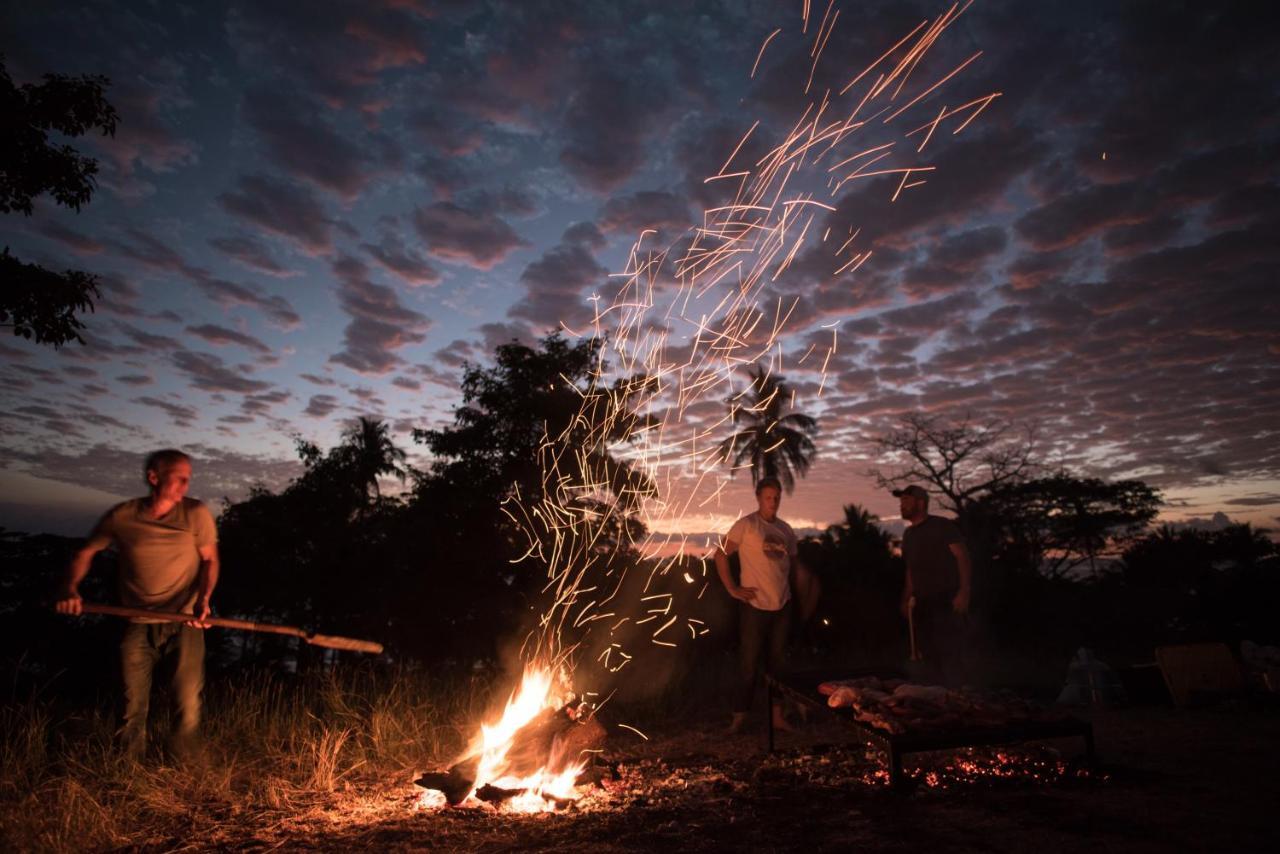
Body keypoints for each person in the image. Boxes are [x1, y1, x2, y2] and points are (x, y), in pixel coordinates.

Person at [55, 449, 220, 759]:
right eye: (179, 478)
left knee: (187, 705)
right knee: (131, 707)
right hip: (137, 622)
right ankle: (128, 776)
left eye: (188, 478)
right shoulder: (123, 516)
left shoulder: (196, 514)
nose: (186, 485)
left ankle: (185, 772)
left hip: (184, 621)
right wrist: (69, 588)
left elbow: (210, 560)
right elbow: (85, 553)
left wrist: (204, 600)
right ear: (154, 478)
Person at [714, 477, 801, 733]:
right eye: (768, 497)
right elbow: (720, 555)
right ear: (758, 498)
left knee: (778, 665)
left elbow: (792, 567)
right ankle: (739, 716)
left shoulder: (786, 530)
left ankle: (777, 716)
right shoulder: (747, 525)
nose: (772, 502)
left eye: (776, 497)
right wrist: (732, 589)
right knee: (749, 664)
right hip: (754, 606)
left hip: (782, 605)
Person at [894, 484, 972, 685]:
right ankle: (936, 698)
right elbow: (911, 570)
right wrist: (906, 599)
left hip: (946, 599)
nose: (901, 505)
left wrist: (964, 591)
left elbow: (962, 556)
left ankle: (961, 698)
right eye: (901, 501)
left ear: (921, 502)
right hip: (922, 603)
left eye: (906, 500)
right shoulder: (909, 535)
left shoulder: (941, 526)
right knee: (928, 655)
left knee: (951, 654)